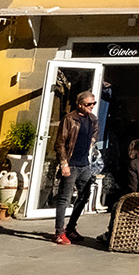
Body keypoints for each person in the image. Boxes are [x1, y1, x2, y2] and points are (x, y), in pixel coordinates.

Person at [50, 87, 102, 246]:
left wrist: (92, 142)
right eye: (88, 104)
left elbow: (95, 133)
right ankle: (59, 232)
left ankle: (71, 228)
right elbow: (59, 143)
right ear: (79, 104)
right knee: (64, 198)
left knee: (85, 195)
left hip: (84, 164)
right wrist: (64, 163)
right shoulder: (69, 119)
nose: (91, 106)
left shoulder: (92, 119)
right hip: (71, 164)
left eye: (93, 104)